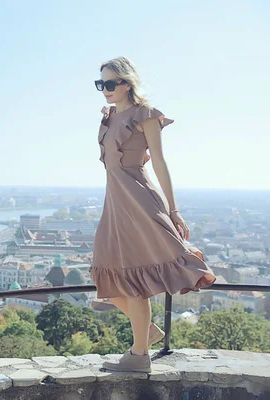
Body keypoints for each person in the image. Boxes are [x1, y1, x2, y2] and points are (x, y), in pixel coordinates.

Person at [89, 57, 216, 373]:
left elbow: (159, 163)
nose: (104, 89)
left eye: (109, 83)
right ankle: (147, 332)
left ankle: (138, 355)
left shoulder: (145, 116)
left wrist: (173, 210)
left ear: (127, 83)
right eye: (100, 84)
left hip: (140, 201)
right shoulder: (108, 117)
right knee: (105, 275)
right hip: (115, 204)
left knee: (133, 280)